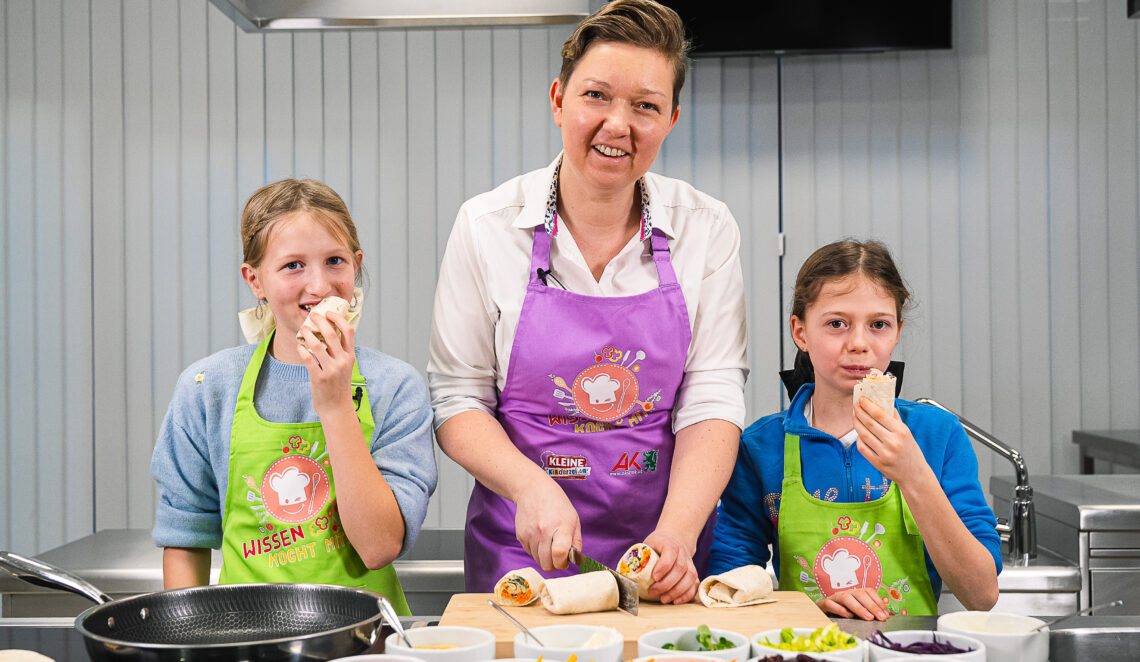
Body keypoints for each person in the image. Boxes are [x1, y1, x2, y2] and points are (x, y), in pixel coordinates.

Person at [427, 0, 747, 605]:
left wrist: (677, 532)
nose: (617, 124)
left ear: (672, 118)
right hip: (520, 554)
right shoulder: (487, 226)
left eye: (645, 105)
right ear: (558, 100)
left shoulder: (707, 228)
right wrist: (531, 488)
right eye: (596, 95)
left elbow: (712, 394)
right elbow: (457, 397)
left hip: (664, 560)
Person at [151, 179, 437, 615]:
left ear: (356, 266)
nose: (319, 285)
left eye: (334, 261)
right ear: (255, 280)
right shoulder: (208, 387)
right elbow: (186, 537)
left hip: (365, 641)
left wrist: (336, 404)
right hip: (242, 640)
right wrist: (187, 640)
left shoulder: (395, 387)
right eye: (293, 266)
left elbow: (379, 546)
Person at [709, 239, 1001, 619]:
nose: (859, 344)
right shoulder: (760, 447)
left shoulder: (937, 435)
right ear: (800, 332)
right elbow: (726, 586)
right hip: (807, 651)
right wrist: (809, 612)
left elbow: (981, 594)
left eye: (879, 324)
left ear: (896, 333)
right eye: (836, 324)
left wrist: (914, 475)